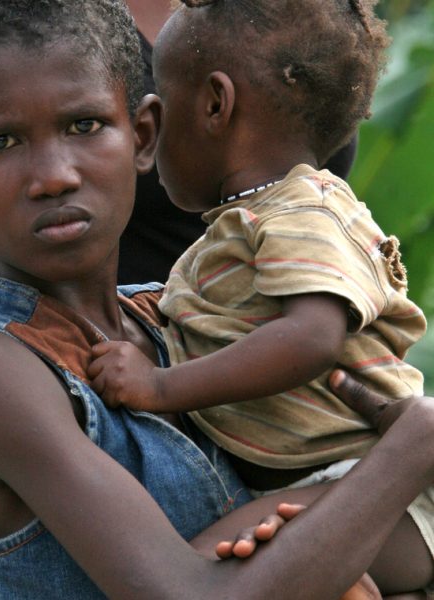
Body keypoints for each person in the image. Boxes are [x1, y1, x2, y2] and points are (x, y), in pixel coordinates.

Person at [0, 0, 434, 598]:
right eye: (0, 142)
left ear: (144, 135)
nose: (53, 175)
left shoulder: (176, 321)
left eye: (84, 125)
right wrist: (414, 444)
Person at [85, 0, 434, 595]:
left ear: (215, 105)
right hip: (329, 483)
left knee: (192, 578)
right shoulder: (244, 224)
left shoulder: (304, 213)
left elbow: (313, 338)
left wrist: (159, 387)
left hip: (378, 490)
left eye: (161, 107)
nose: (147, 131)